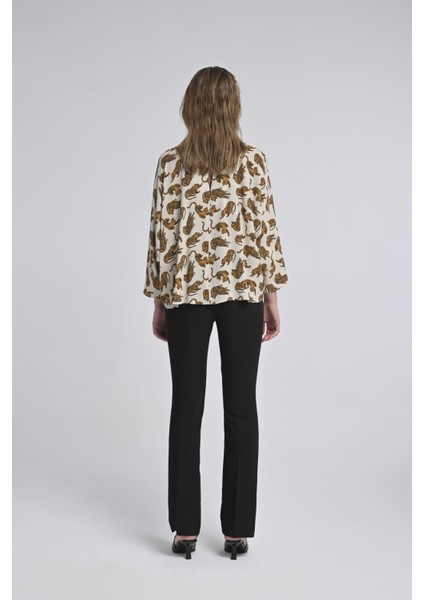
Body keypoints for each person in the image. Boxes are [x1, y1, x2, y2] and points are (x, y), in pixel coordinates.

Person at [143, 66, 288, 559]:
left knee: (186, 408)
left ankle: (185, 530)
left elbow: (161, 238)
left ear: (190, 105)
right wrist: (271, 298)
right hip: (243, 295)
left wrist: (159, 301)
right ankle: (236, 530)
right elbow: (266, 234)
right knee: (241, 408)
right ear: (233, 107)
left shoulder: (170, 164)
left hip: (185, 296)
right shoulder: (253, 162)